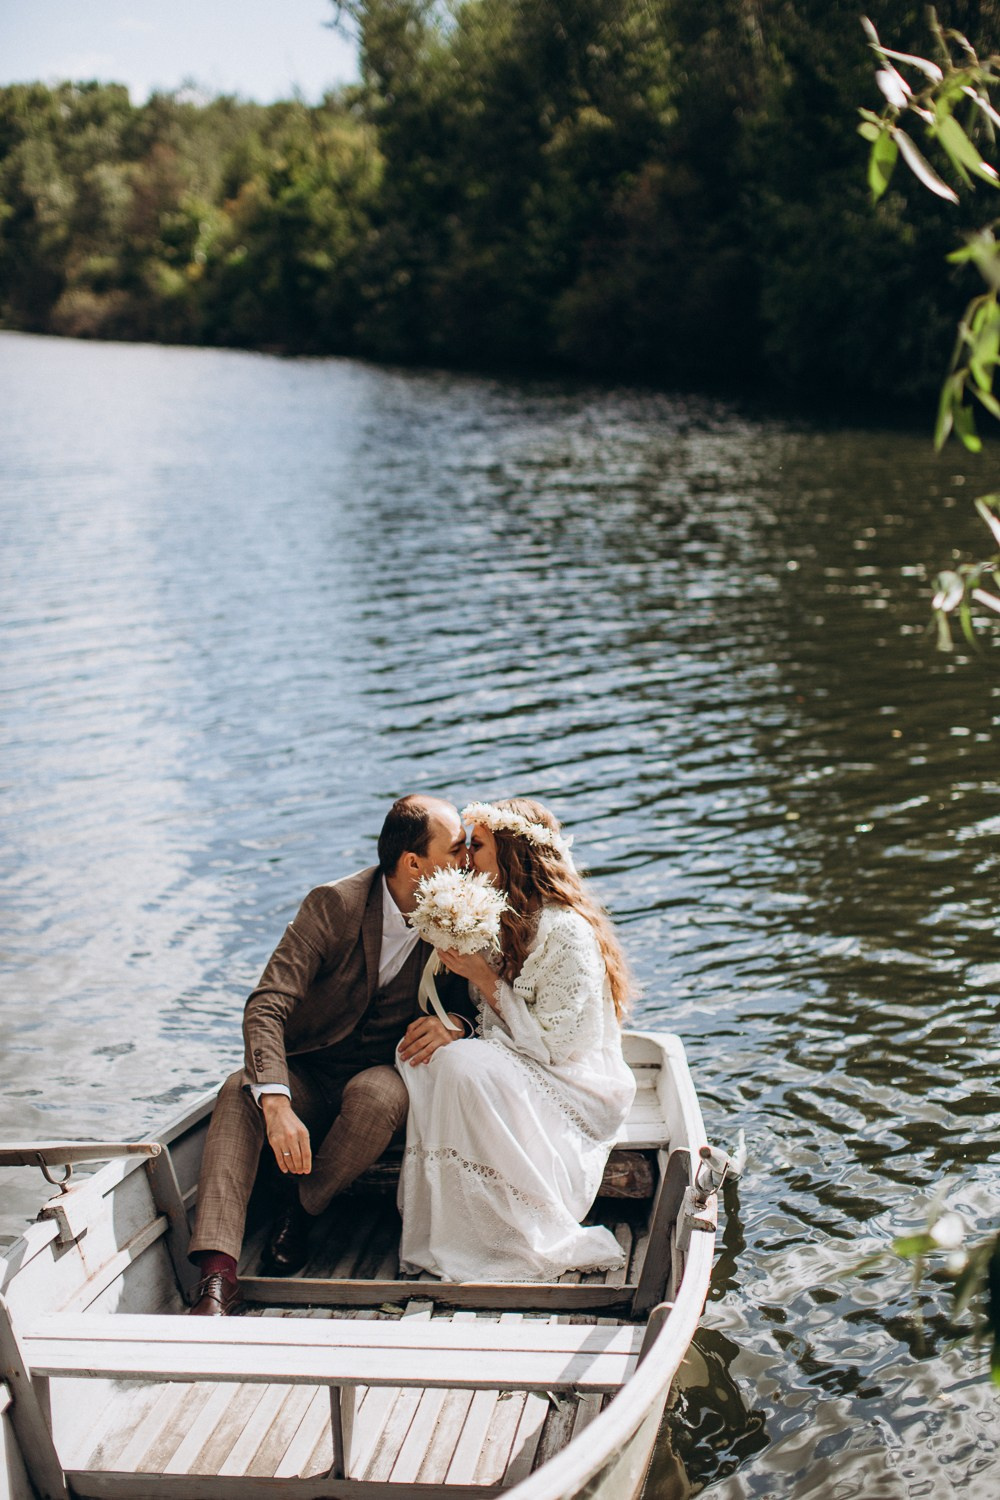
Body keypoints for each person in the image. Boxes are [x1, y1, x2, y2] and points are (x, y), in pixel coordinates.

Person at [187, 794, 471, 1315]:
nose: (466, 859)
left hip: (385, 1070)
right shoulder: (334, 904)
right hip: (311, 1070)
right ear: (414, 863)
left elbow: (477, 1002)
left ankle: (300, 1207)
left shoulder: (460, 909)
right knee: (238, 1092)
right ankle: (217, 1277)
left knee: (378, 1097)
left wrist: (455, 1023)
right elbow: (266, 1005)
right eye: (455, 849)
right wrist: (276, 1103)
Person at [395, 797, 636, 1282]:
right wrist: (458, 1024)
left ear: (513, 854)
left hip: (571, 1081)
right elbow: (487, 1018)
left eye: (478, 846)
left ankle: (511, 1231)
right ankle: (455, 1228)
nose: (466, 857)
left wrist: (484, 979)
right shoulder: (497, 916)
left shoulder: (565, 931)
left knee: (460, 1065)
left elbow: (555, 1048)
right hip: (518, 1056)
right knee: (424, 1057)